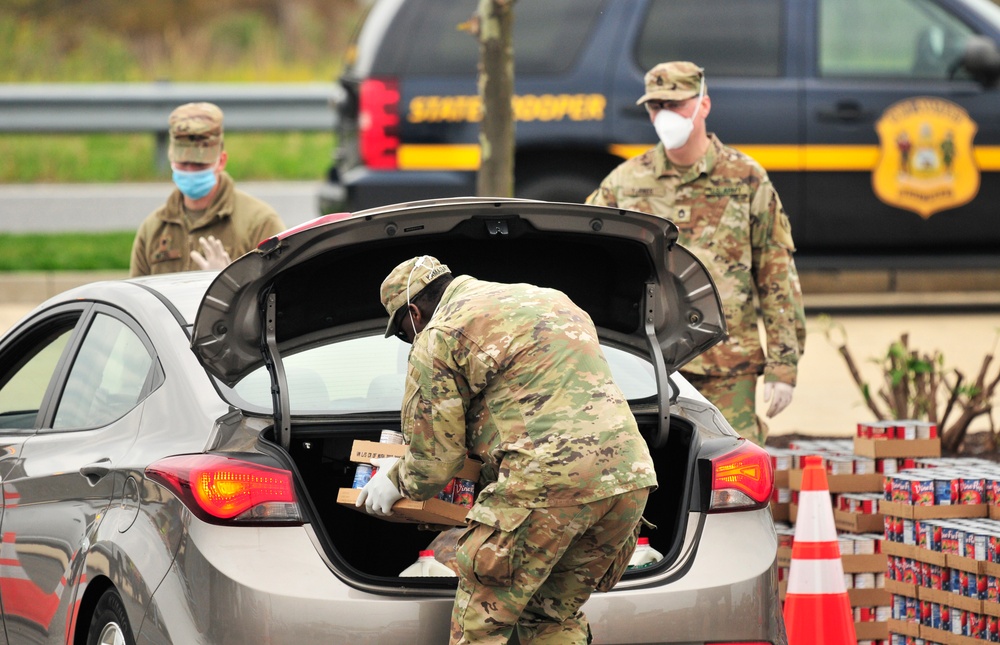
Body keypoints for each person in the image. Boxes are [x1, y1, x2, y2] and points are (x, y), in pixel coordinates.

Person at [356, 255, 657, 644]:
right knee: (551, 614)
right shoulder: (551, 299)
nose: (409, 340)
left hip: (545, 487)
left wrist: (394, 481)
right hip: (628, 481)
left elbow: (435, 461)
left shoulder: (440, 333)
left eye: (402, 332)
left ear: (413, 311)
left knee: (480, 623)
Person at [586, 61, 806, 446]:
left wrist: (783, 365)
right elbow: (588, 267)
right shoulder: (624, 184)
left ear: (703, 105)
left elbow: (776, 274)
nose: (665, 116)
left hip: (729, 364)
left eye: (676, 104)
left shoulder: (745, 178)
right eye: (656, 107)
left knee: (736, 466)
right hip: (647, 362)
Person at [129, 102, 286, 276]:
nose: (190, 171)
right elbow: (136, 298)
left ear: (221, 161)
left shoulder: (259, 223)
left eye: (199, 164)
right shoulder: (153, 229)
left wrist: (227, 283)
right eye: (183, 163)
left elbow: (279, 295)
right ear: (171, 159)